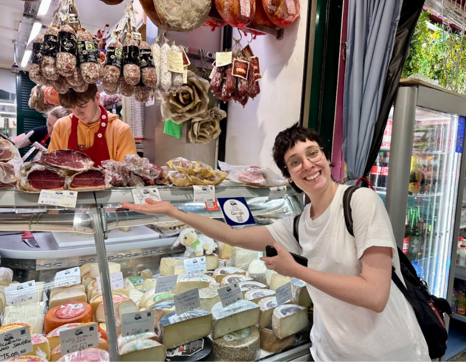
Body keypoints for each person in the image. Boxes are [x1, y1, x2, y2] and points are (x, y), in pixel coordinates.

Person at [120, 125, 430, 362]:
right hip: (331, 353)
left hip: (387, 352)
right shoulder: (298, 223)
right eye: (295, 162)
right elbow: (233, 236)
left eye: (313, 154)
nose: (308, 165)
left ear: (325, 156)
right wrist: (176, 211)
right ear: (288, 177)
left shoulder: (359, 201)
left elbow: (375, 294)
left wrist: (295, 269)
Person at [48, 84, 136, 166]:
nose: (78, 113)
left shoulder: (120, 130)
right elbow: (51, 166)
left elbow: (126, 174)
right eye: (72, 107)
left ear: (97, 98)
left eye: (82, 105)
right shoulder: (61, 127)